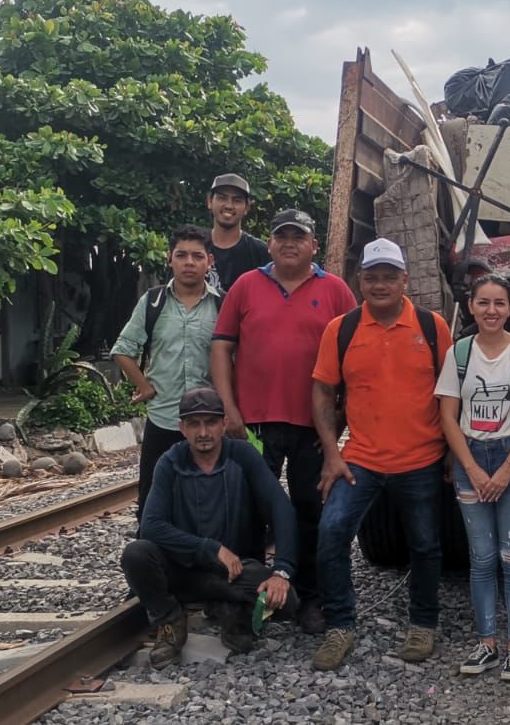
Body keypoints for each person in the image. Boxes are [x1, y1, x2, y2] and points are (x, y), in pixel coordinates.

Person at [210, 208, 357, 633]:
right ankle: (242, 597)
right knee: (249, 511)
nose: (290, 243)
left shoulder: (336, 291)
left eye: (299, 236)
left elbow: (355, 360)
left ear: (314, 245)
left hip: (313, 429)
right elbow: (221, 348)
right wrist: (229, 408)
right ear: (270, 243)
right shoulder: (246, 285)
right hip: (251, 426)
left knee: (311, 510)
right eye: (282, 236)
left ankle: (310, 597)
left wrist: (338, 420)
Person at [309, 237, 453, 671]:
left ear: (405, 280)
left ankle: (423, 625)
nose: (381, 284)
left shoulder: (432, 327)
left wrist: (450, 452)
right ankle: (340, 627)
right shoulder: (342, 329)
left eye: (390, 276)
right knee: (332, 534)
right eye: (372, 277)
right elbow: (322, 390)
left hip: (422, 458)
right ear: (360, 280)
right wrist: (333, 454)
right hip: (361, 460)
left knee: (426, 546)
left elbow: (451, 394)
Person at [121, 387, 299, 669]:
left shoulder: (243, 455)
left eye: (211, 422)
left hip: (233, 571)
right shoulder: (170, 462)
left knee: (286, 600)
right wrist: (210, 548)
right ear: (182, 428)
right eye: (194, 424)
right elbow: (151, 526)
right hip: (182, 572)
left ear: (224, 424)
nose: (203, 432)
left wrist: (282, 570)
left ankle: (227, 609)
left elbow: (282, 509)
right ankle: (170, 620)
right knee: (136, 554)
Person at [435, 274, 510, 682]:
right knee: (480, 558)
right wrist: (475, 469)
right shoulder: (458, 353)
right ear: (472, 306)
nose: (492, 310)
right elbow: (447, 414)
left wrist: (507, 468)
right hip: (471, 457)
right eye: (483, 303)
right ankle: (486, 643)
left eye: (499, 303)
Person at [110, 226, 221, 518]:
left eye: (197, 256)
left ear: (209, 261)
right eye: (181, 255)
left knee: (207, 498)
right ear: (169, 258)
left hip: (208, 423)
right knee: (152, 499)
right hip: (163, 418)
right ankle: (151, 555)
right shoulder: (153, 302)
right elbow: (122, 349)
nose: (189, 262)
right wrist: (144, 386)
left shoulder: (222, 304)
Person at [205, 173, 270, 292]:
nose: (229, 206)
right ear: (210, 201)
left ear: (247, 207)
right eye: (222, 198)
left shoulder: (261, 252)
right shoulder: (195, 247)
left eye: (237, 200)